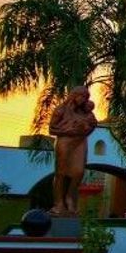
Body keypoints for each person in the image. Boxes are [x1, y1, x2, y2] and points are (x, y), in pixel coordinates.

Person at [49, 86, 97, 216]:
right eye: (81, 96)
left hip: (80, 142)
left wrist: (86, 129)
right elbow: (52, 129)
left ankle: (70, 196)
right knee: (61, 174)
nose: (83, 100)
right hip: (65, 142)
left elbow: (92, 125)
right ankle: (59, 203)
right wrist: (67, 131)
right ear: (74, 96)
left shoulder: (86, 113)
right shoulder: (61, 110)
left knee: (79, 172)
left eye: (85, 97)